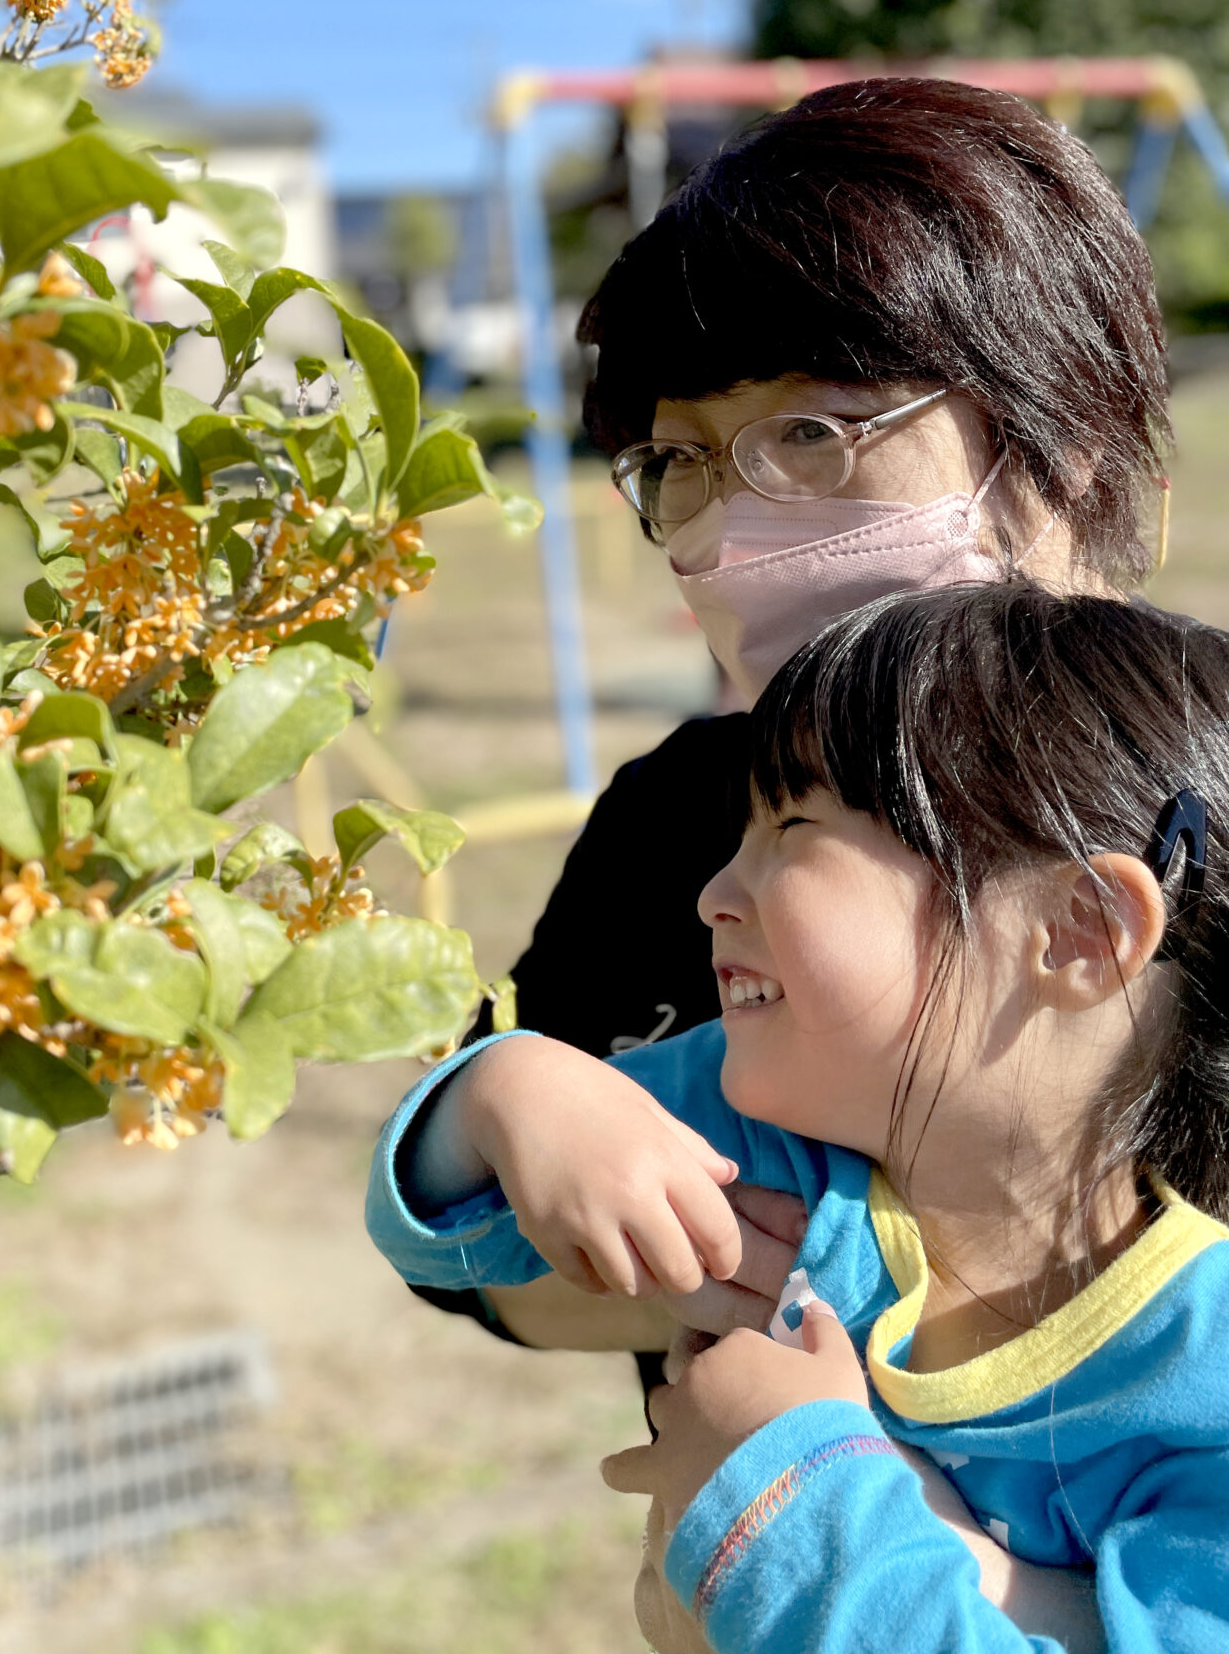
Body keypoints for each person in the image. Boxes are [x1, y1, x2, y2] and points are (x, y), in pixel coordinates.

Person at [427, 74, 1173, 1361]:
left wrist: (998, 1577)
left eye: (811, 433)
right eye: (683, 463)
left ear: (1062, 446)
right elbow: (471, 1266)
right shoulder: (681, 822)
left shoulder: (1199, 782)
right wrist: (512, 1109)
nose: (733, 529)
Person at [369, 583, 1229, 1653]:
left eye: (794, 827)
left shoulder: (1203, 1379)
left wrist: (787, 1477)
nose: (713, 893)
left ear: (1079, 931)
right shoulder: (768, 1127)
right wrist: (508, 1097)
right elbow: (457, 1242)